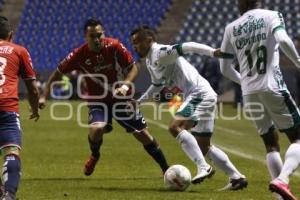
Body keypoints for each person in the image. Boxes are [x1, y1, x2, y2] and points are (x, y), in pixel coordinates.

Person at [39, 19, 169, 177]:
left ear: (104, 34)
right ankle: (95, 155)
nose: (97, 39)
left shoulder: (114, 46)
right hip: (97, 100)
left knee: (143, 134)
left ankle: (166, 169)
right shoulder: (79, 54)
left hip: (121, 99)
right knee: (97, 128)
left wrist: (126, 85)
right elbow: (57, 73)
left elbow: (134, 67)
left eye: (99, 35)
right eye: (92, 36)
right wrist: (43, 97)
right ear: (85, 37)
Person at [130, 26, 247, 189]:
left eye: (137, 43)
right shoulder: (150, 61)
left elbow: (188, 46)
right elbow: (157, 85)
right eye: (133, 43)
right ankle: (237, 178)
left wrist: (213, 52)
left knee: (174, 127)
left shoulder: (161, 52)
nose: (134, 47)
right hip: (201, 94)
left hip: (199, 93)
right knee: (203, 145)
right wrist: (139, 101)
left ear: (149, 40)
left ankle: (203, 167)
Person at [219, 0, 300, 199]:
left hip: (249, 92)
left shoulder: (231, 27)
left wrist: (245, 82)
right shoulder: (271, 15)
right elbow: (282, 40)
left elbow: (224, 68)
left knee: (270, 143)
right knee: (297, 137)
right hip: (272, 85)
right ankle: (283, 180)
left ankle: (280, 196)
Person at [0, 16, 40, 200]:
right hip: (7, 107)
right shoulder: (18, 50)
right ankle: (8, 194)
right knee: (12, 151)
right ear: (11, 35)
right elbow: (32, 87)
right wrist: (35, 108)